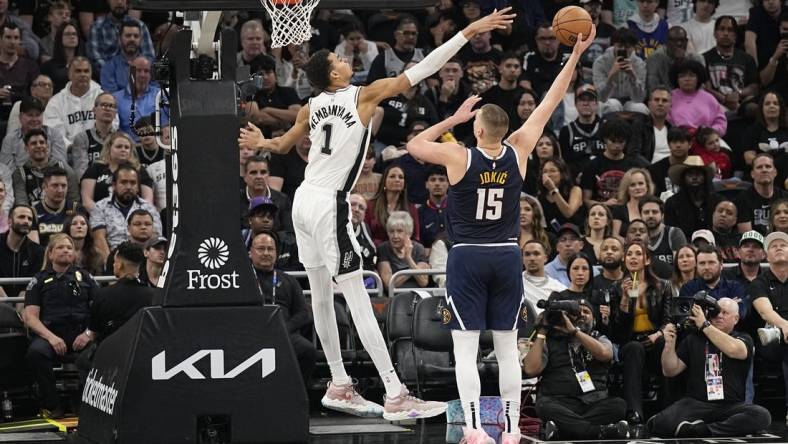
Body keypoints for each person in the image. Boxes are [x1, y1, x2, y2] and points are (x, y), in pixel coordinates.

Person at [238, 7, 516, 421]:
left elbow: (281, 148)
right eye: (339, 61)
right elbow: (422, 69)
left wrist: (263, 140)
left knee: (320, 293)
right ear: (334, 76)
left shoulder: (309, 107)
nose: (346, 61)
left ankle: (338, 383)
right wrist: (468, 31)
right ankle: (394, 392)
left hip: (302, 202)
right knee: (356, 296)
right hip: (330, 202)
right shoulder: (362, 95)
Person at [403, 24, 596, 444]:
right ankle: (510, 430)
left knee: (465, 349)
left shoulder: (458, 155)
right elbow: (548, 101)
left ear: (477, 130)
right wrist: (576, 56)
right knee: (509, 348)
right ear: (505, 130)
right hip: (507, 255)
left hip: (468, 256)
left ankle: (473, 428)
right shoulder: (520, 149)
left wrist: (451, 118)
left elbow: (415, 145)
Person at [650, 298, 771, 438]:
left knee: (761, 415)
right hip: (697, 403)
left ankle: (702, 430)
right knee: (660, 423)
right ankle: (710, 427)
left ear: (736, 319)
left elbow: (734, 350)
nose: (719, 315)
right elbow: (670, 371)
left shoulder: (743, 338)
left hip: (730, 405)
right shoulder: (694, 338)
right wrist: (669, 345)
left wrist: (705, 325)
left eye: (725, 313)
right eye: (715, 312)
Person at [524, 299, 629, 440]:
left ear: (595, 320)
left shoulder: (599, 338)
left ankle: (564, 430)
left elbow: (605, 354)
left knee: (619, 405)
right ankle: (600, 431)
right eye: (576, 312)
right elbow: (530, 370)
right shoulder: (550, 340)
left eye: (586, 312)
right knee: (542, 405)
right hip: (560, 403)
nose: (581, 315)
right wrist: (542, 331)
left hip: (594, 403)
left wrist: (574, 332)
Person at [23, 233, 99, 418]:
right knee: (36, 354)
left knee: (98, 352)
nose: (66, 250)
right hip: (51, 334)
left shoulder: (86, 277)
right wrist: (51, 337)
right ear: (50, 254)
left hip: (81, 333)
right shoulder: (39, 280)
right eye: (60, 247)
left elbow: (100, 310)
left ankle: (83, 403)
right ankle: (52, 404)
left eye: (69, 247)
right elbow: (30, 317)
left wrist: (89, 334)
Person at [611, 241, 673, 425]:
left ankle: (668, 409)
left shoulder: (663, 286)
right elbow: (617, 331)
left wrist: (657, 334)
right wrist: (624, 299)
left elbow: (668, 320)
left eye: (638, 254)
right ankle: (634, 412)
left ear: (647, 260)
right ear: (624, 259)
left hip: (655, 338)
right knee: (634, 348)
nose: (633, 257)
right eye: (629, 254)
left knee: (665, 344)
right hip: (630, 342)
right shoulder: (616, 288)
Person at [250, 231, 316, 386]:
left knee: (308, 352)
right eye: (261, 248)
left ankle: (296, 395)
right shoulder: (242, 279)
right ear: (250, 252)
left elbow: (303, 313)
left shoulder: (289, 280)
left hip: (285, 333)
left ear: (276, 253)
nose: (266, 253)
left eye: (270, 249)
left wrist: (284, 329)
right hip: (252, 333)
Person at [90, 163, 161, 262]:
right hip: (112, 260)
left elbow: (155, 238)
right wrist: (111, 264)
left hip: (143, 261)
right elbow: (99, 239)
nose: (128, 187)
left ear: (137, 186)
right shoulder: (100, 207)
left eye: (133, 183)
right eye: (123, 182)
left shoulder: (148, 208)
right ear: (114, 185)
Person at [80, 132, 153, 212]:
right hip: (100, 217)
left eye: (127, 147)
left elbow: (148, 200)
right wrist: (104, 216)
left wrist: (133, 217)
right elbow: (87, 201)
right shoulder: (95, 168)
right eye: (119, 146)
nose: (123, 150)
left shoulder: (139, 170)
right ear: (109, 148)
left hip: (133, 219)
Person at [43, 56, 105, 148]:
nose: (83, 74)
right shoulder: (56, 102)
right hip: (67, 152)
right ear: (69, 74)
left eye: (86, 71)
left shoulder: (102, 97)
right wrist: (72, 147)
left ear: (91, 74)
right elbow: (53, 133)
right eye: (78, 71)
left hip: (99, 149)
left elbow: (112, 125)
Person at [703, 16, 758, 117]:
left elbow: (754, 87)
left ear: (735, 35)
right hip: (713, 105)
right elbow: (705, 88)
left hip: (740, 106)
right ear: (715, 34)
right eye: (722, 29)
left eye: (730, 30)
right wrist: (724, 99)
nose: (725, 33)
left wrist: (738, 93)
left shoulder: (746, 59)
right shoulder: (704, 58)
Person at [12, 129, 79, 205]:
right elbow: (21, 202)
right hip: (33, 215)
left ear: (47, 146)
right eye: (34, 143)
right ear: (26, 148)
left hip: (60, 215)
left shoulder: (63, 168)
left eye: (42, 142)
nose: (39, 146)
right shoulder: (20, 173)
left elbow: (74, 200)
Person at [679, 244, 747, 318]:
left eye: (711, 263)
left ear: (721, 265)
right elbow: (684, 317)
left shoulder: (735, 287)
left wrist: (702, 310)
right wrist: (728, 306)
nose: (706, 267)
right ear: (696, 265)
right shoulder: (688, 289)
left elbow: (741, 314)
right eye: (702, 263)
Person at [592, 28, 648, 115]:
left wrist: (633, 76)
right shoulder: (600, 62)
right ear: (614, 45)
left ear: (634, 47)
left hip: (631, 101)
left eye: (627, 47)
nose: (623, 50)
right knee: (613, 104)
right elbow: (601, 98)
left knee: (640, 107)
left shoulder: (639, 63)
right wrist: (611, 75)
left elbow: (639, 98)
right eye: (619, 46)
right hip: (608, 100)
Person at [664, 155, 723, 237]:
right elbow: (671, 233)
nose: (694, 177)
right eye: (690, 174)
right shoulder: (672, 203)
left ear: (705, 177)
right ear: (683, 178)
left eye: (698, 174)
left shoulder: (718, 201)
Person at [86, 0, 154, 71]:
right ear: (109, 1)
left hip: (136, 75)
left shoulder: (140, 26)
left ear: (127, 2)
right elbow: (95, 58)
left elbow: (149, 56)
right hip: (107, 76)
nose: (119, 2)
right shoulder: (97, 27)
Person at [668, 60, 727, 136]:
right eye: (682, 76)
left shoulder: (708, 98)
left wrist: (708, 133)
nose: (687, 79)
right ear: (677, 79)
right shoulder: (669, 97)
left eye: (691, 75)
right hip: (678, 141)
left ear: (698, 78)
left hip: (705, 140)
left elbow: (721, 123)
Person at [365, 164, 420, 246]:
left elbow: (415, 237)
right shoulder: (370, 206)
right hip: (375, 252)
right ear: (384, 181)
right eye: (392, 176)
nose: (397, 180)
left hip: (403, 254)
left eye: (401, 177)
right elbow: (365, 235)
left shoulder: (411, 208)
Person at [743, 91, 788, 189]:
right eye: (767, 104)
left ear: (781, 108)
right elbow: (748, 157)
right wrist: (769, 167)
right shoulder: (753, 130)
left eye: (775, 103)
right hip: (763, 175)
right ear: (761, 109)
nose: (772, 106)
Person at [376, 211, 430, 291]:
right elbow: (389, 284)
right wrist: (412, 270)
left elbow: (423, 281)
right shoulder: (383, 248)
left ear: (409, 233)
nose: (395, 236)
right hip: (394, 297)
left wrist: (408, 259)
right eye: (391, 231)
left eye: (399, 231)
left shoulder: (418, 248)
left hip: (417, 294)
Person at [735, 153, 788, 234]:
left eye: (768, 166)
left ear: (775, 172)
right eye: (759, 167)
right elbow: (747, 237)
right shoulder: (742, 199)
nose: (764, 170)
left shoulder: (785, 197)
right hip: (755, 245)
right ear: (752, 174)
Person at [70, 92, 117, 178]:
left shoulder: (121, 138)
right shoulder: (82, 138)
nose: (107, 109)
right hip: (90, 187)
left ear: (115, 113)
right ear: (94, 110)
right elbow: (81, 174)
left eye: (111, 106)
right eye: (103, 105)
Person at [32, 166, 83, 246]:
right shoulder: (33, 212)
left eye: (64, 186)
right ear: (44, 187)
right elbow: (34, 247)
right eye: (55, 185)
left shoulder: (77, 209)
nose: (60, 190)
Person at [0, 204, 43, 297]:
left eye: (30, 219)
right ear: (10, 221)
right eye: (21, 217)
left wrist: (18, 311)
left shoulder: (38, 252)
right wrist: (9, 309)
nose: (26, 221)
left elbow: (28, 287)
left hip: (23, 305)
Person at [640, 195, 688, 267]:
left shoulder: (674, 233)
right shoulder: (637, 237)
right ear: (640, 215)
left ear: (662, 215)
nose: (650, 215)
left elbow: (681, 267)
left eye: (655, 212)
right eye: (646, 212)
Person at [538, 157, 584, 232]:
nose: (548, 175)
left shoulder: (575, 190)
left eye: (552, 171)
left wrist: (553, 190)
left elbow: (568, 213)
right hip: (552, 237)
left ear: (562, 174)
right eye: (545, 172)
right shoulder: (541, 197)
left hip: (575, 234)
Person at [100, 20, 146, 93]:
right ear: (119, 39)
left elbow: (156, 93)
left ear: (141, 40)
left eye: (136, 36)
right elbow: (112, 97)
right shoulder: (109, 67)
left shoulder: (150, 65)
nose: (132, 39)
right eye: (128, 36)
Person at [522, 239, 566, 311]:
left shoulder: (559, 289)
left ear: (545, 258)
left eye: (536, 254)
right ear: (522, 258)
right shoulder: (515, 284)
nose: (532, 258)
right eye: (527, 254)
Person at [40, 21, 83, 93]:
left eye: (74, 34)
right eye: (67, 34)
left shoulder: (85, 64)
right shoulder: (48, 66)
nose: (72, 37)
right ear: (60, 38)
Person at [649, 126, 692, 197]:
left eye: (682, 142)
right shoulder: (655, 169)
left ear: (690, 144)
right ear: (669, 145)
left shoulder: (697, 167)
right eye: (674, 142)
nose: (678, 145)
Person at [611, 168, 655, 236]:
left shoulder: (656, 207)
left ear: (647, 186)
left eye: (640, 183)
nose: (637, 187)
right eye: (632, 185)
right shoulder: (619, 209)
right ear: (627, 189)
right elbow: (615, 236)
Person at [418, 165, 448, 250]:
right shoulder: (419, 213)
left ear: (448, 184)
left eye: (442, 180)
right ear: (426, 184)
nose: (437, 183)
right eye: (433, 180)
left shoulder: (458, 209)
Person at [63, 212, 103, 276]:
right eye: (74, 224)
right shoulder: (62, 253)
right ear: (68, 228)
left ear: (87, 228)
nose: (79, 226)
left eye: (83, 224)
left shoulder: (96, 254)